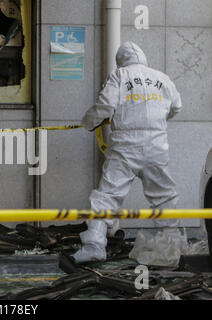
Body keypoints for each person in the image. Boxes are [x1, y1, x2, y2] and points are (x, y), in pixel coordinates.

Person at [73, 41, 182, 264]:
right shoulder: (162, 78)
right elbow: (176, 107)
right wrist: (156, 121)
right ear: (143, 57)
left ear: (121, 60)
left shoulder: (119, 76)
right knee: (164, 196)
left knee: (107, 195)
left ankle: (94, 245)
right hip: (156, 146)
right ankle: (174, 245)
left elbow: (105, 105)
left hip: (125, 146)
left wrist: (88, 123)